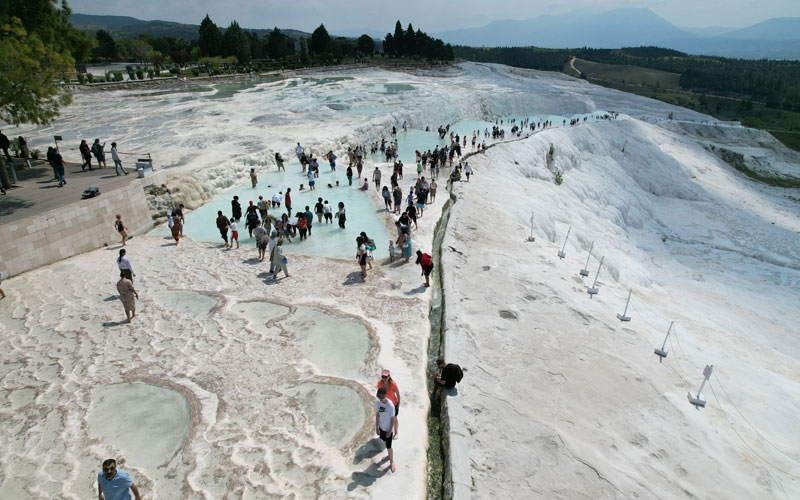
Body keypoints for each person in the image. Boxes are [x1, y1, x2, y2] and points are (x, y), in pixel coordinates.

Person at [374, 388, 399, 473]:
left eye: (382, 396)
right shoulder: (377, 403)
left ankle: (392, 461)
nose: (380, 398)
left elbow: (393, 419)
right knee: (384, 441)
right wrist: (376, 427)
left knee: (389, 446)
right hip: (381, 427)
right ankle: (389, 455)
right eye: (379, 396)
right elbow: (377, 415)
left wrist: (389, 431)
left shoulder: (390, 405)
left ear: (385, 395)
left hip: (388, 429)